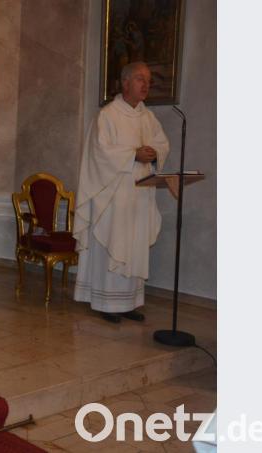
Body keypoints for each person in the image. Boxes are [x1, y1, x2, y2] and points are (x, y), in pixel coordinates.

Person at [73, 61, 170, 323]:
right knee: (114, 240)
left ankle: (128, 303)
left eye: (148, 80)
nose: (146, 85)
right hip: (113, 195)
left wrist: (154, 153)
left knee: (134, 244)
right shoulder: (108, 115)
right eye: (140, 79)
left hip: (140, 193)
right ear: (125, 82)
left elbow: (162, 143)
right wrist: (132, 155)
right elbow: (99, 152)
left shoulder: (147, 117)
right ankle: (105, 302)